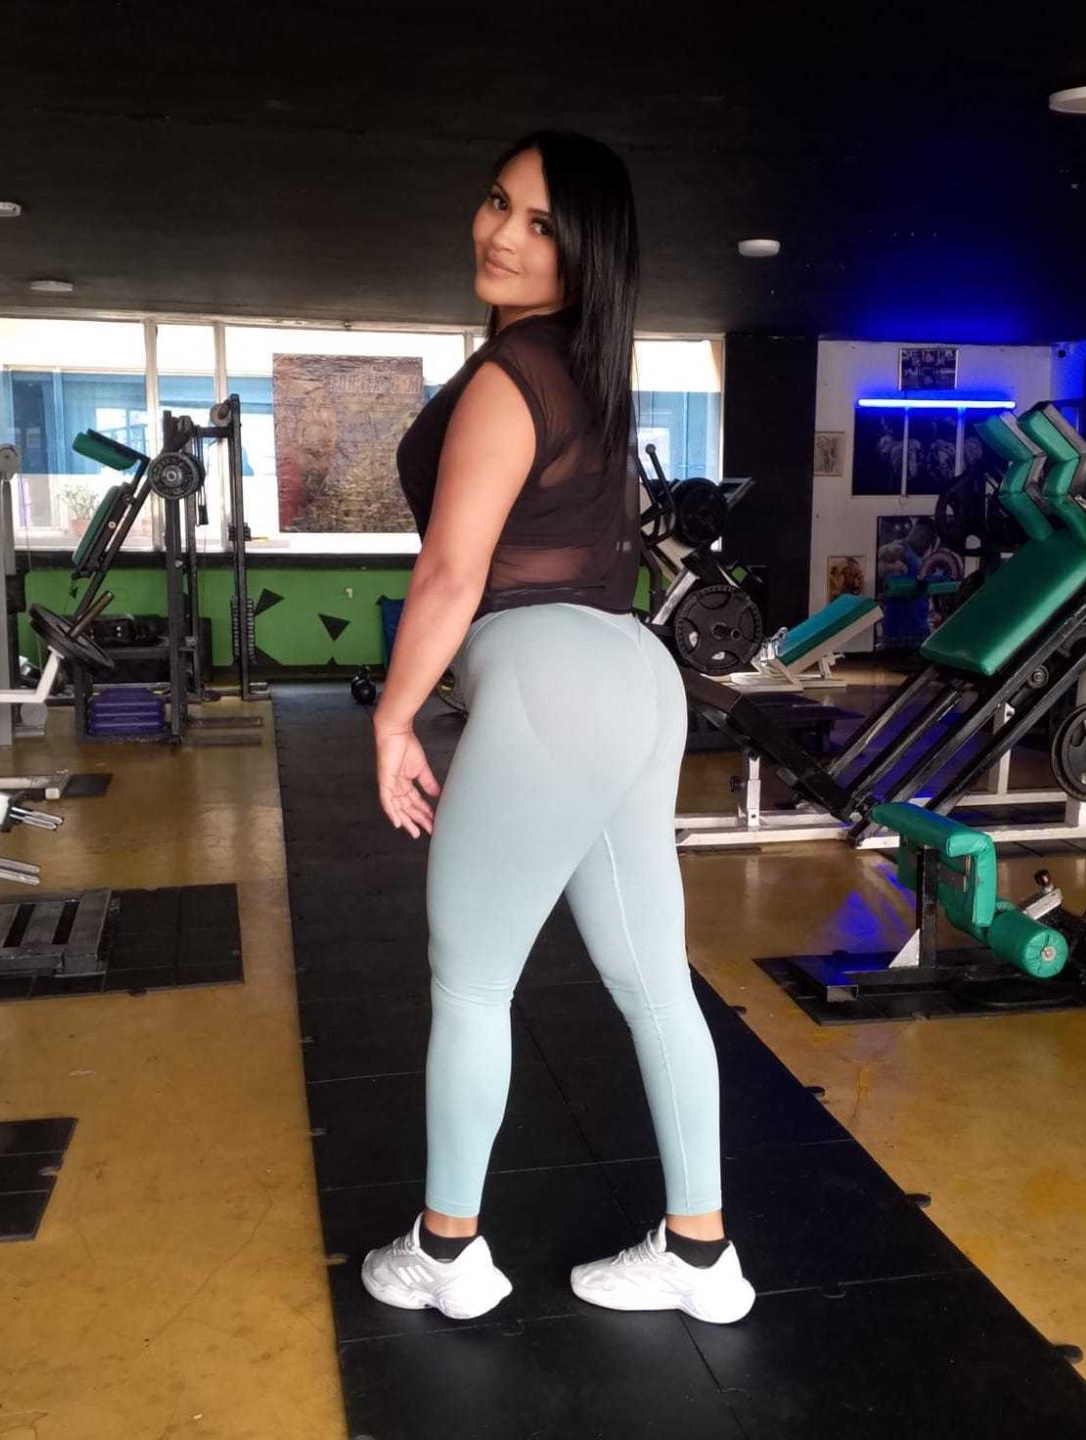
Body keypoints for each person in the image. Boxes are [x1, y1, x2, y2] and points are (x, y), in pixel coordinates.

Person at [360, 130, 756, 1326]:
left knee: (473, 984)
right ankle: (702, 1257)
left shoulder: (512, 373)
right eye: (498, 202)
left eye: (540, 223)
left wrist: (392, 718)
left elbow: (451, 573)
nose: (503, 233)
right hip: (635, 675)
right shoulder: (590, 371)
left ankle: (447, 1251)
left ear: (587, 251)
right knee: (653, 983)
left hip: (551, 684)